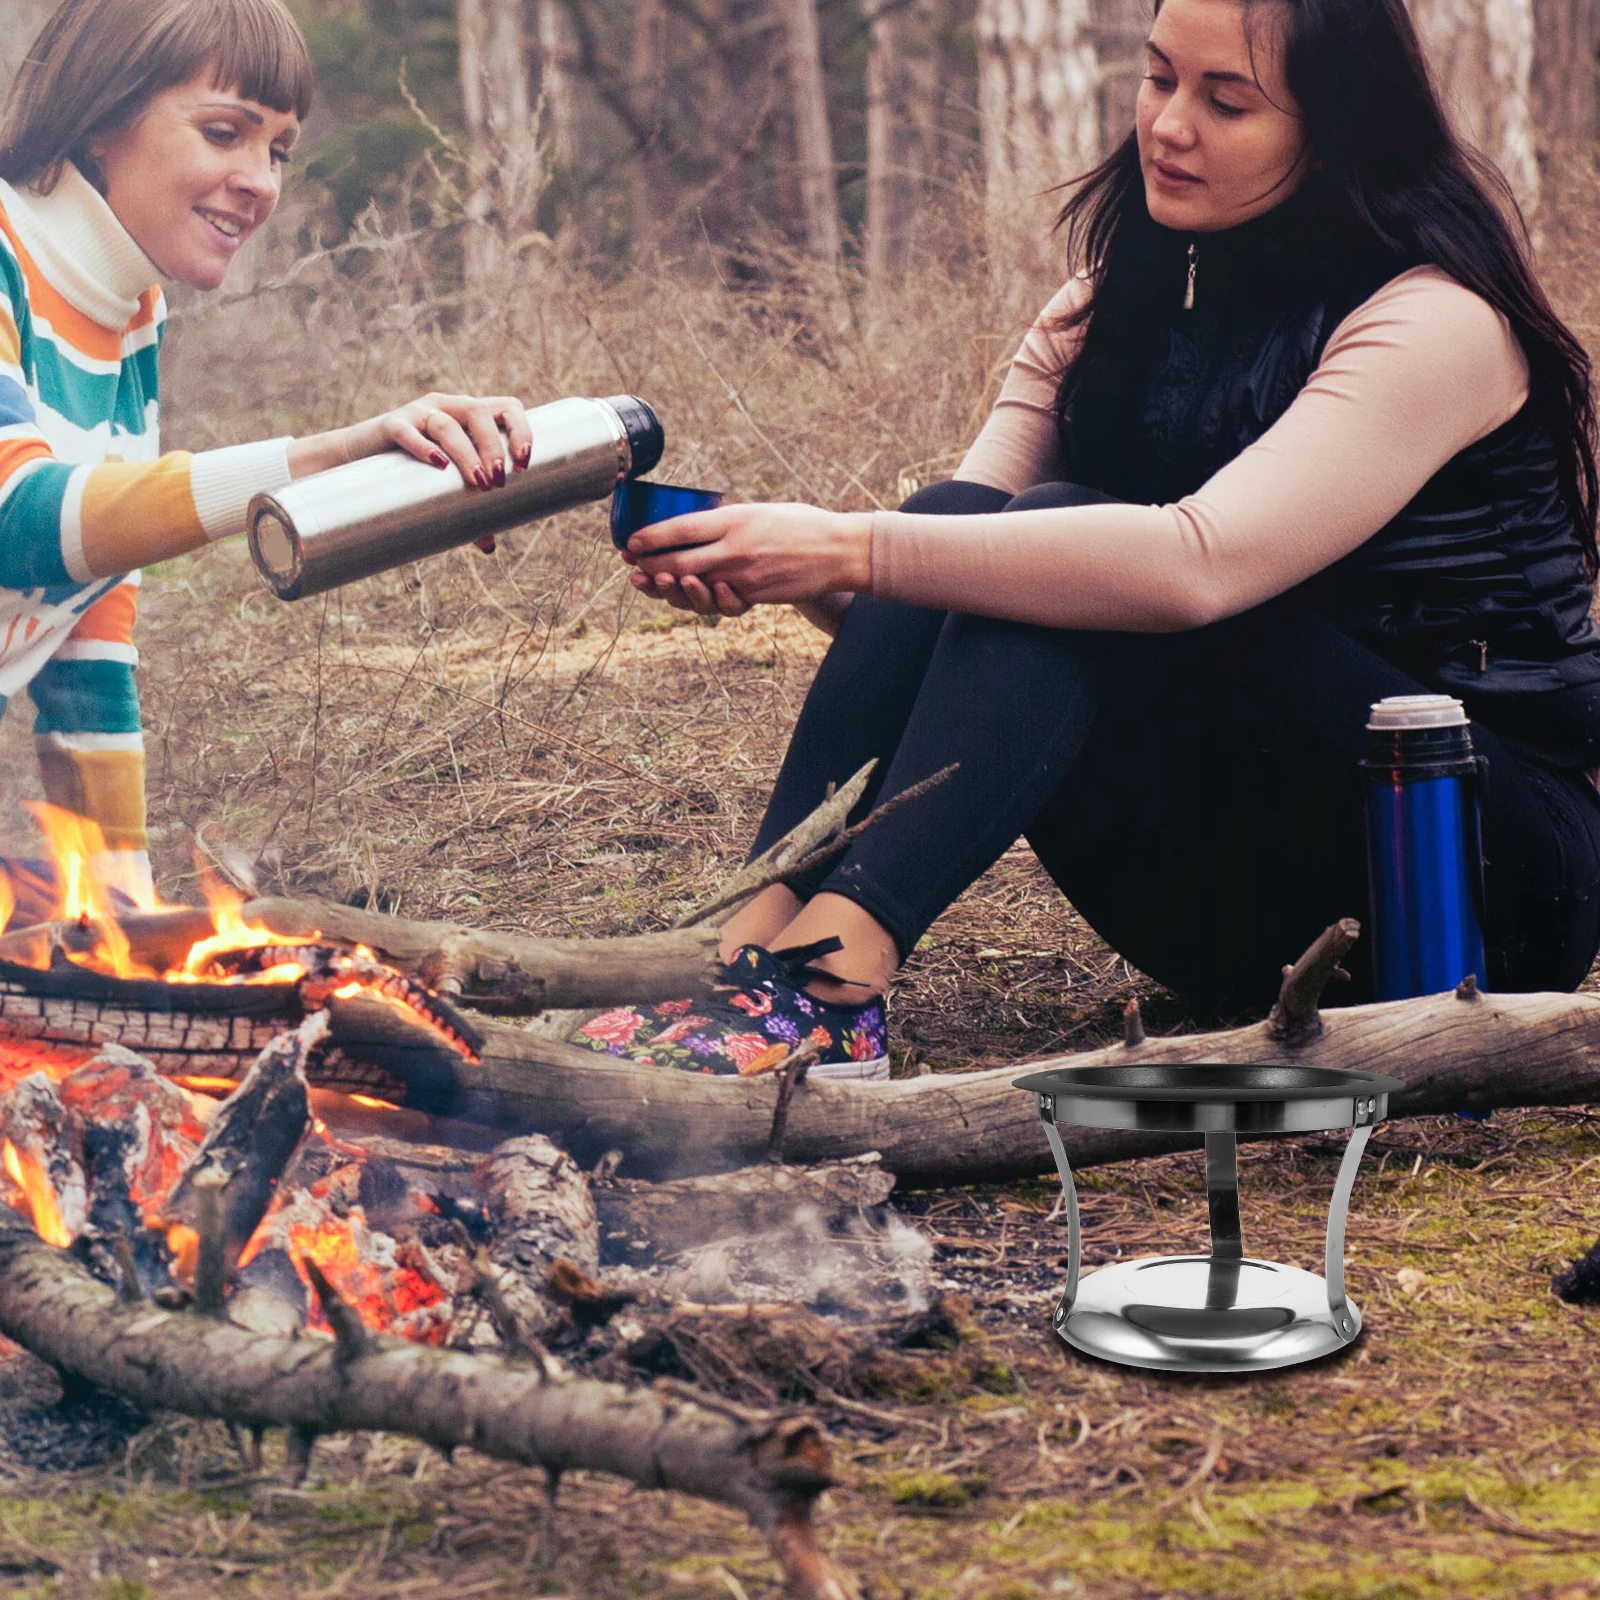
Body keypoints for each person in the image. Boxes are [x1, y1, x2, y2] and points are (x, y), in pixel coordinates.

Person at [569, 0, 1600, 1081]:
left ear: (1336, 128)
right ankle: (737, 952)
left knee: (1063, 550)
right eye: (1158, 80)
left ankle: (832, 991)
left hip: (1468, 887)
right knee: (967, 524)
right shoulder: (1095, 313)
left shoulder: (1433, 323)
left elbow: (1192, 564)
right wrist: (778, 567)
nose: (1167, 124)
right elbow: (944, 585)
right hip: (1224, 895)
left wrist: (842, 547)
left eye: (1226, 100)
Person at [0, 0, 532, 917]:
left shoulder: (131, 312)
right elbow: (18, 523)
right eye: (224, 132)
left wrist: (120, 929)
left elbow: (88, 617)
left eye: (279, 150)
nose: (259, 182)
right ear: (99, 114)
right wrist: (318, 456)